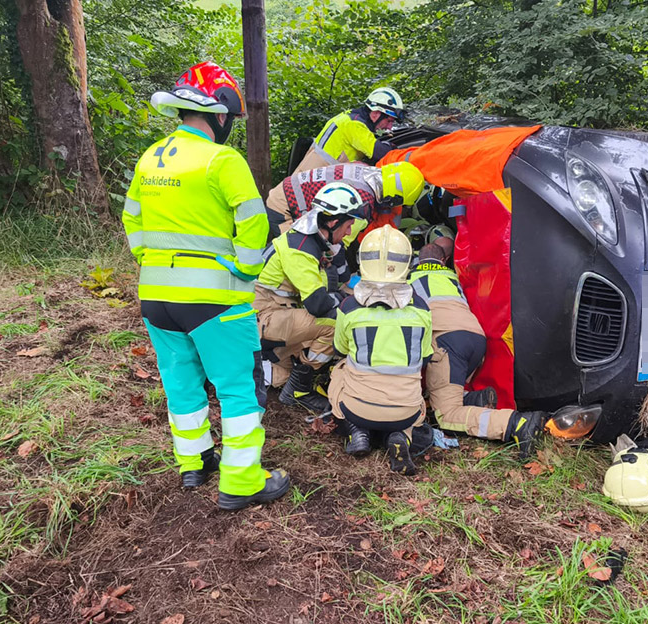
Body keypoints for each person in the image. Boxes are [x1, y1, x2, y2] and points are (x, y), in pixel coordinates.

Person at [122, 62, 288, 510]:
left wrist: (153, 263)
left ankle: (194, 462)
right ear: (221, 115)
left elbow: (132, 221)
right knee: (238, 387)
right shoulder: (222, 159)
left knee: (181, 382)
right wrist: (245, 270)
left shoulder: (150, 157)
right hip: (216, 299)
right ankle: (242, 482)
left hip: (157, 297)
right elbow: (254, 223)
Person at [409, 241, 547, 457]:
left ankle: (515, 424)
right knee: (441, 393)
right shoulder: (452, 277)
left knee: (446, 414)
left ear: (418, 260)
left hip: (448, 343)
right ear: (443, 260)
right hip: (475, 338)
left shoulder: (410, 279)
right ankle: (476, 400)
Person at [328, 225, 432, 475]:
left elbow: (340, 348)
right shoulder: (422, 310)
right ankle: (401, 437)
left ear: (363, 261)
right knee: (414, 414)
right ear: (407, 263)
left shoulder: (349, 307)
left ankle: (357, 431)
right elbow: (425, 359)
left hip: (358, 408)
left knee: (340, 369)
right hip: (406, 411)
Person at [255, 182, 365, 412]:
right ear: (333, 222)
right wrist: (347, 301)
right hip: (263, 317)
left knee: (283, 373)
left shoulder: (312, 240)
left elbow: (328, 286)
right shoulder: (300, 248)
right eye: (347, 226)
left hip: (277, 314)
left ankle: (287, 375)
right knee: (336, 323)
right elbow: (317, 304)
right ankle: (299, 390)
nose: (348, 233)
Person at [265, 161, 426, 240]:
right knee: (297, 255)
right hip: (285, 208)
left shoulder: (364, 169)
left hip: (287, 191)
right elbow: (339, 240)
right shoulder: (362, 201)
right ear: (393, 197)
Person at [292, 87, 406, 173]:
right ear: (376, 113)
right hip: (312, 181)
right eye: (389, 121)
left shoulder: (350, 117)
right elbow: (381, 153)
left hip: (312, 175)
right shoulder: (354, 125)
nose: (390, 127)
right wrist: (397, 149)